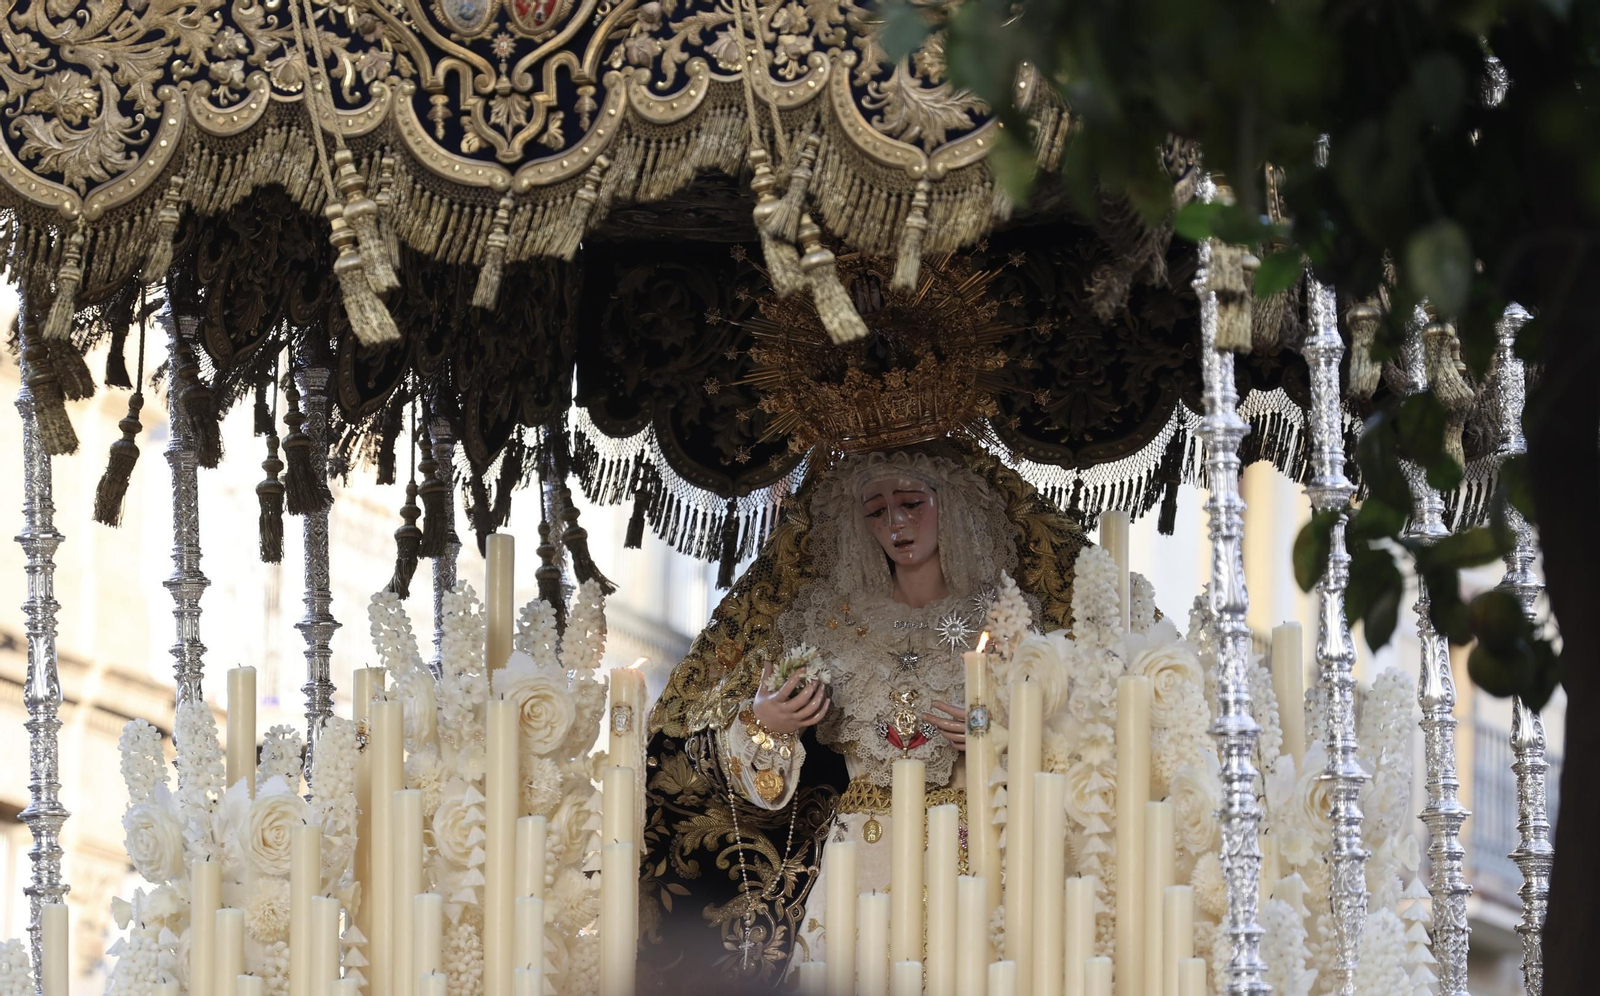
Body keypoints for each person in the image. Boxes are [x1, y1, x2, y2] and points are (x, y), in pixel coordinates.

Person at [640, 441, 1087, 990]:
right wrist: (767, 726)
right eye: (876, 511)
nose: (895, 523)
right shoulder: (829, 623)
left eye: (911, 504)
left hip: (977, 852)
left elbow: (1070, 743)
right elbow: (744, 739)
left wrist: (1005, 743)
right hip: (862, 855)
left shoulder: (1007, 623)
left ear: (951, 504)